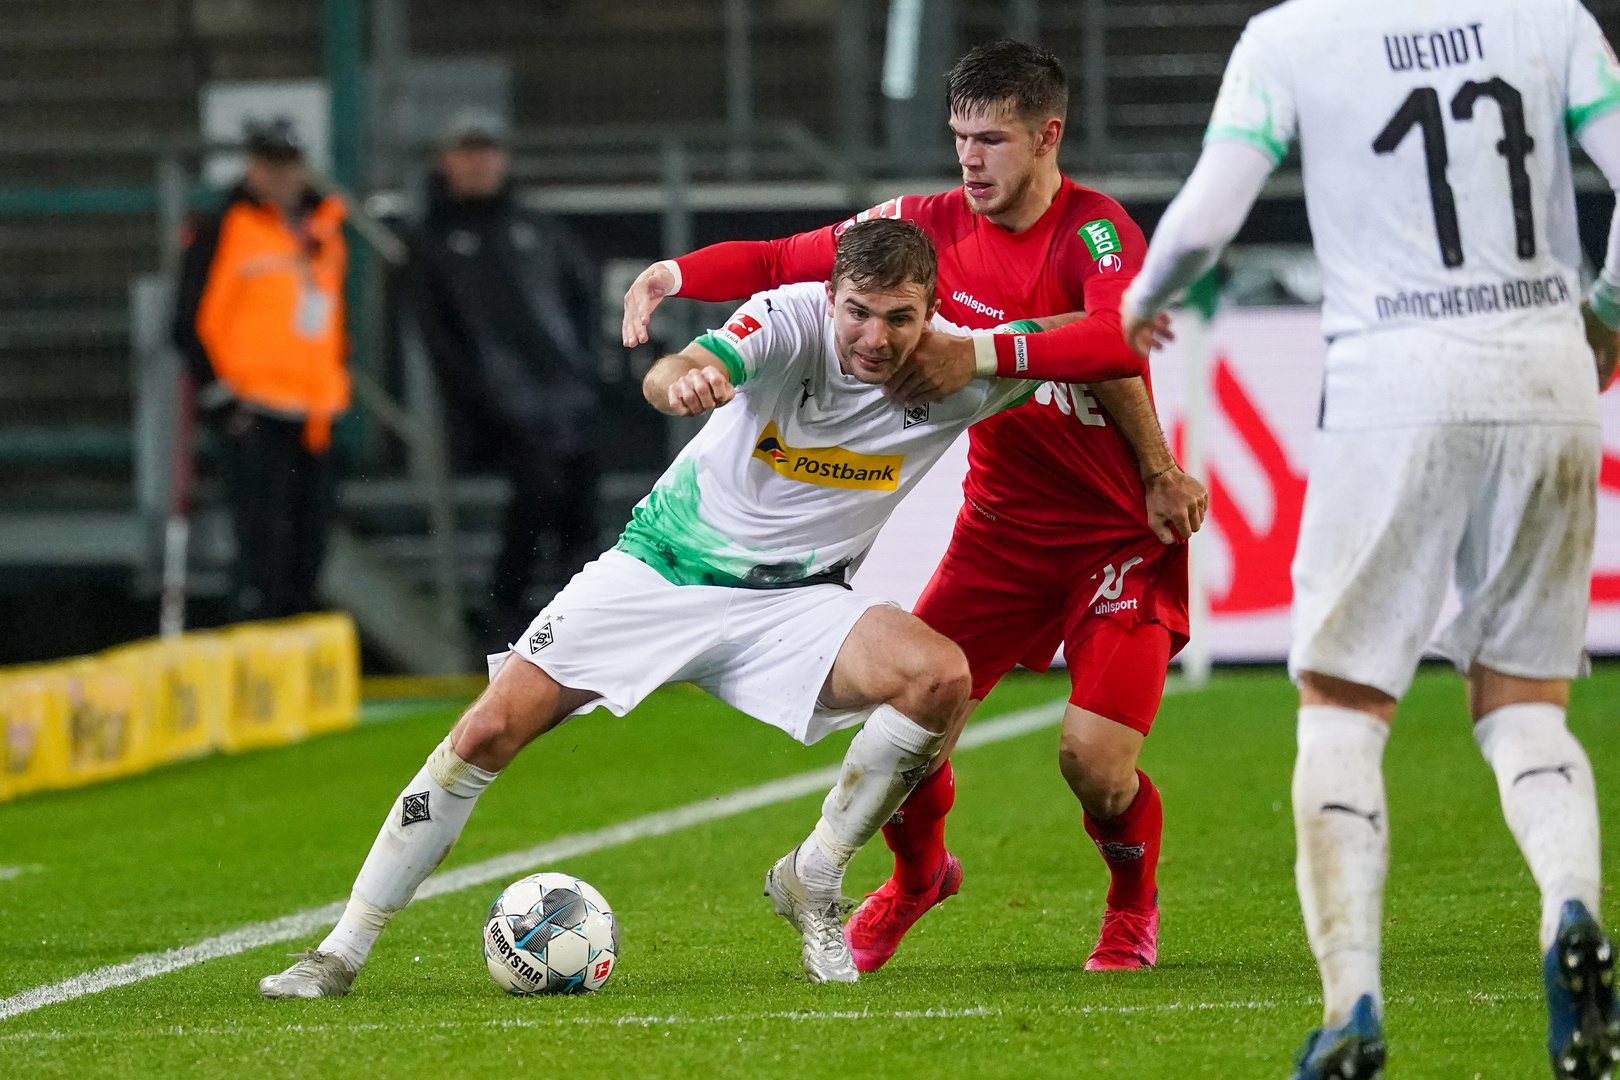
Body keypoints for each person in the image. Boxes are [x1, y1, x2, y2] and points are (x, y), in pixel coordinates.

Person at [256, 219, 1144, 999]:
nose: (875, 337)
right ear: (830, 298)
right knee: (487, 733)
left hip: (798, 604)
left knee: (938, 677)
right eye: (859, 312)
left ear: (931, 311)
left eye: (900, 317)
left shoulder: (963, 367)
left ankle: (815, 877)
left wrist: (1148, 455)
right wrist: (680, 380)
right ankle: (340, 951)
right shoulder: (792, 320)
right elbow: (692, 363)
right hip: (661, 575)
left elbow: (1102, 342)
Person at [621, 39, 1205, 974]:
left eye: (993, 140)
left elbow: (1115, 339)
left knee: (1094, 764)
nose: (970, 159)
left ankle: (1132, 903)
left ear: (1049, 134)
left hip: (1116, 540)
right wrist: (677, 274)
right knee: (911, 724)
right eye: (960, 138)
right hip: (1001, 536)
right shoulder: (925, 226)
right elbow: (783, 255)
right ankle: (918, 878)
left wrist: (991, 363)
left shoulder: (1095, 231)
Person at [1121, 2, 1620, 1076]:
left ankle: (1352, 1007)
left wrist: (1139, 302)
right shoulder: (1549, 18)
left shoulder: (1291, 38)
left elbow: (1208, 218)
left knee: (1344, 705)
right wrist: (1610, 310)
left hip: (1394, 380)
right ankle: (1572, 911)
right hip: (1550, 373)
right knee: (1526, 703)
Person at [399, 111, 601, 642]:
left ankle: (579, 617)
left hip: (563, 400)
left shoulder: (538, 229)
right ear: (445, 161)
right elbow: (440, 336)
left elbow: (581, 301)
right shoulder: (432, 239)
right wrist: (481, 397)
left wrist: (582, 375)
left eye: (488, 150)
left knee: (579, 504)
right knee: (536, 492)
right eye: (467, 151)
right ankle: (505, 611)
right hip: (493, 411)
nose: (479, 162)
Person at [173, 118, 349, 620]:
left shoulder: (322, 227)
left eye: (289, 163)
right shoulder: (222, 226)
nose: (281, 175)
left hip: (313, 413)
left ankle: (295, 656)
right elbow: (187, 322)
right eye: (269, 163)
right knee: (261, 546)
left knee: (309, 547)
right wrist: (221, 401)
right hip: (253, 411)